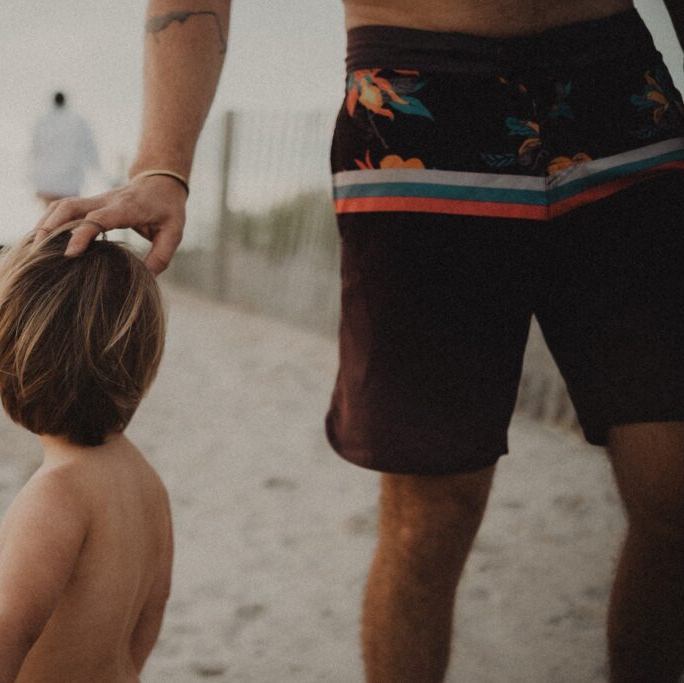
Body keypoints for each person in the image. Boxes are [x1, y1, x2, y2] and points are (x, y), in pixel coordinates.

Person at [34, 1, 684, 681]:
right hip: (418, 102)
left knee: (672, 492)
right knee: (431, 517)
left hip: (621, 92)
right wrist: (163, 164)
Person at [0, 221, 172, 682]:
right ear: (141, 361)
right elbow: (151, 612)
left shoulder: (55, 497)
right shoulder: (148, 483)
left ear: (5, 362)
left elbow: (2, 632)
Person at [28, 91, 101, 205]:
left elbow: (35, 149)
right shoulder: (78, 121)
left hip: (47, 180)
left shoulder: (43, 121)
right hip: (70, 180)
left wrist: (33, 177)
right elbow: (89, 147)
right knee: (66, 213)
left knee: (51, 214)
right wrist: (96, 167)